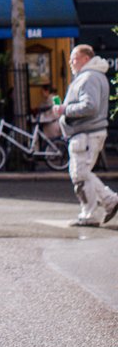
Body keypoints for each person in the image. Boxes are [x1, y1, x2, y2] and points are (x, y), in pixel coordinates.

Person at [53, 44, 118, 227]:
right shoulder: (91, 76)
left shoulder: (89, 77)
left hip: (86, 134)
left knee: (80, 174)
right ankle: (109, 201)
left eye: (74, 58)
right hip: (86, 133)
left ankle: (91, 213)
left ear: (85, 59)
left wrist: (64, 109)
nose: (70, 62)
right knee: (82, 173)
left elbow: (90, 106)